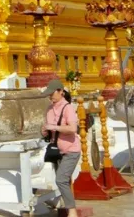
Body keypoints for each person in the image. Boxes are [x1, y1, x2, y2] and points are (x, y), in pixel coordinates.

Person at [41, 78, 80, 217]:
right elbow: (47, 129)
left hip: (71, 150)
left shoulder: (67, 107)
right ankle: (67, 206)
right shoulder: (49, 109)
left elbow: (73, 128)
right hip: (57, 151)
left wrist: (55, 127)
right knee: (64, 180)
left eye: (53, 93)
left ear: (61, 92)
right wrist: (45, 130)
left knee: (61, 180)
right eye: (49, 93)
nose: (50, 96)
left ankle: (72, 211)